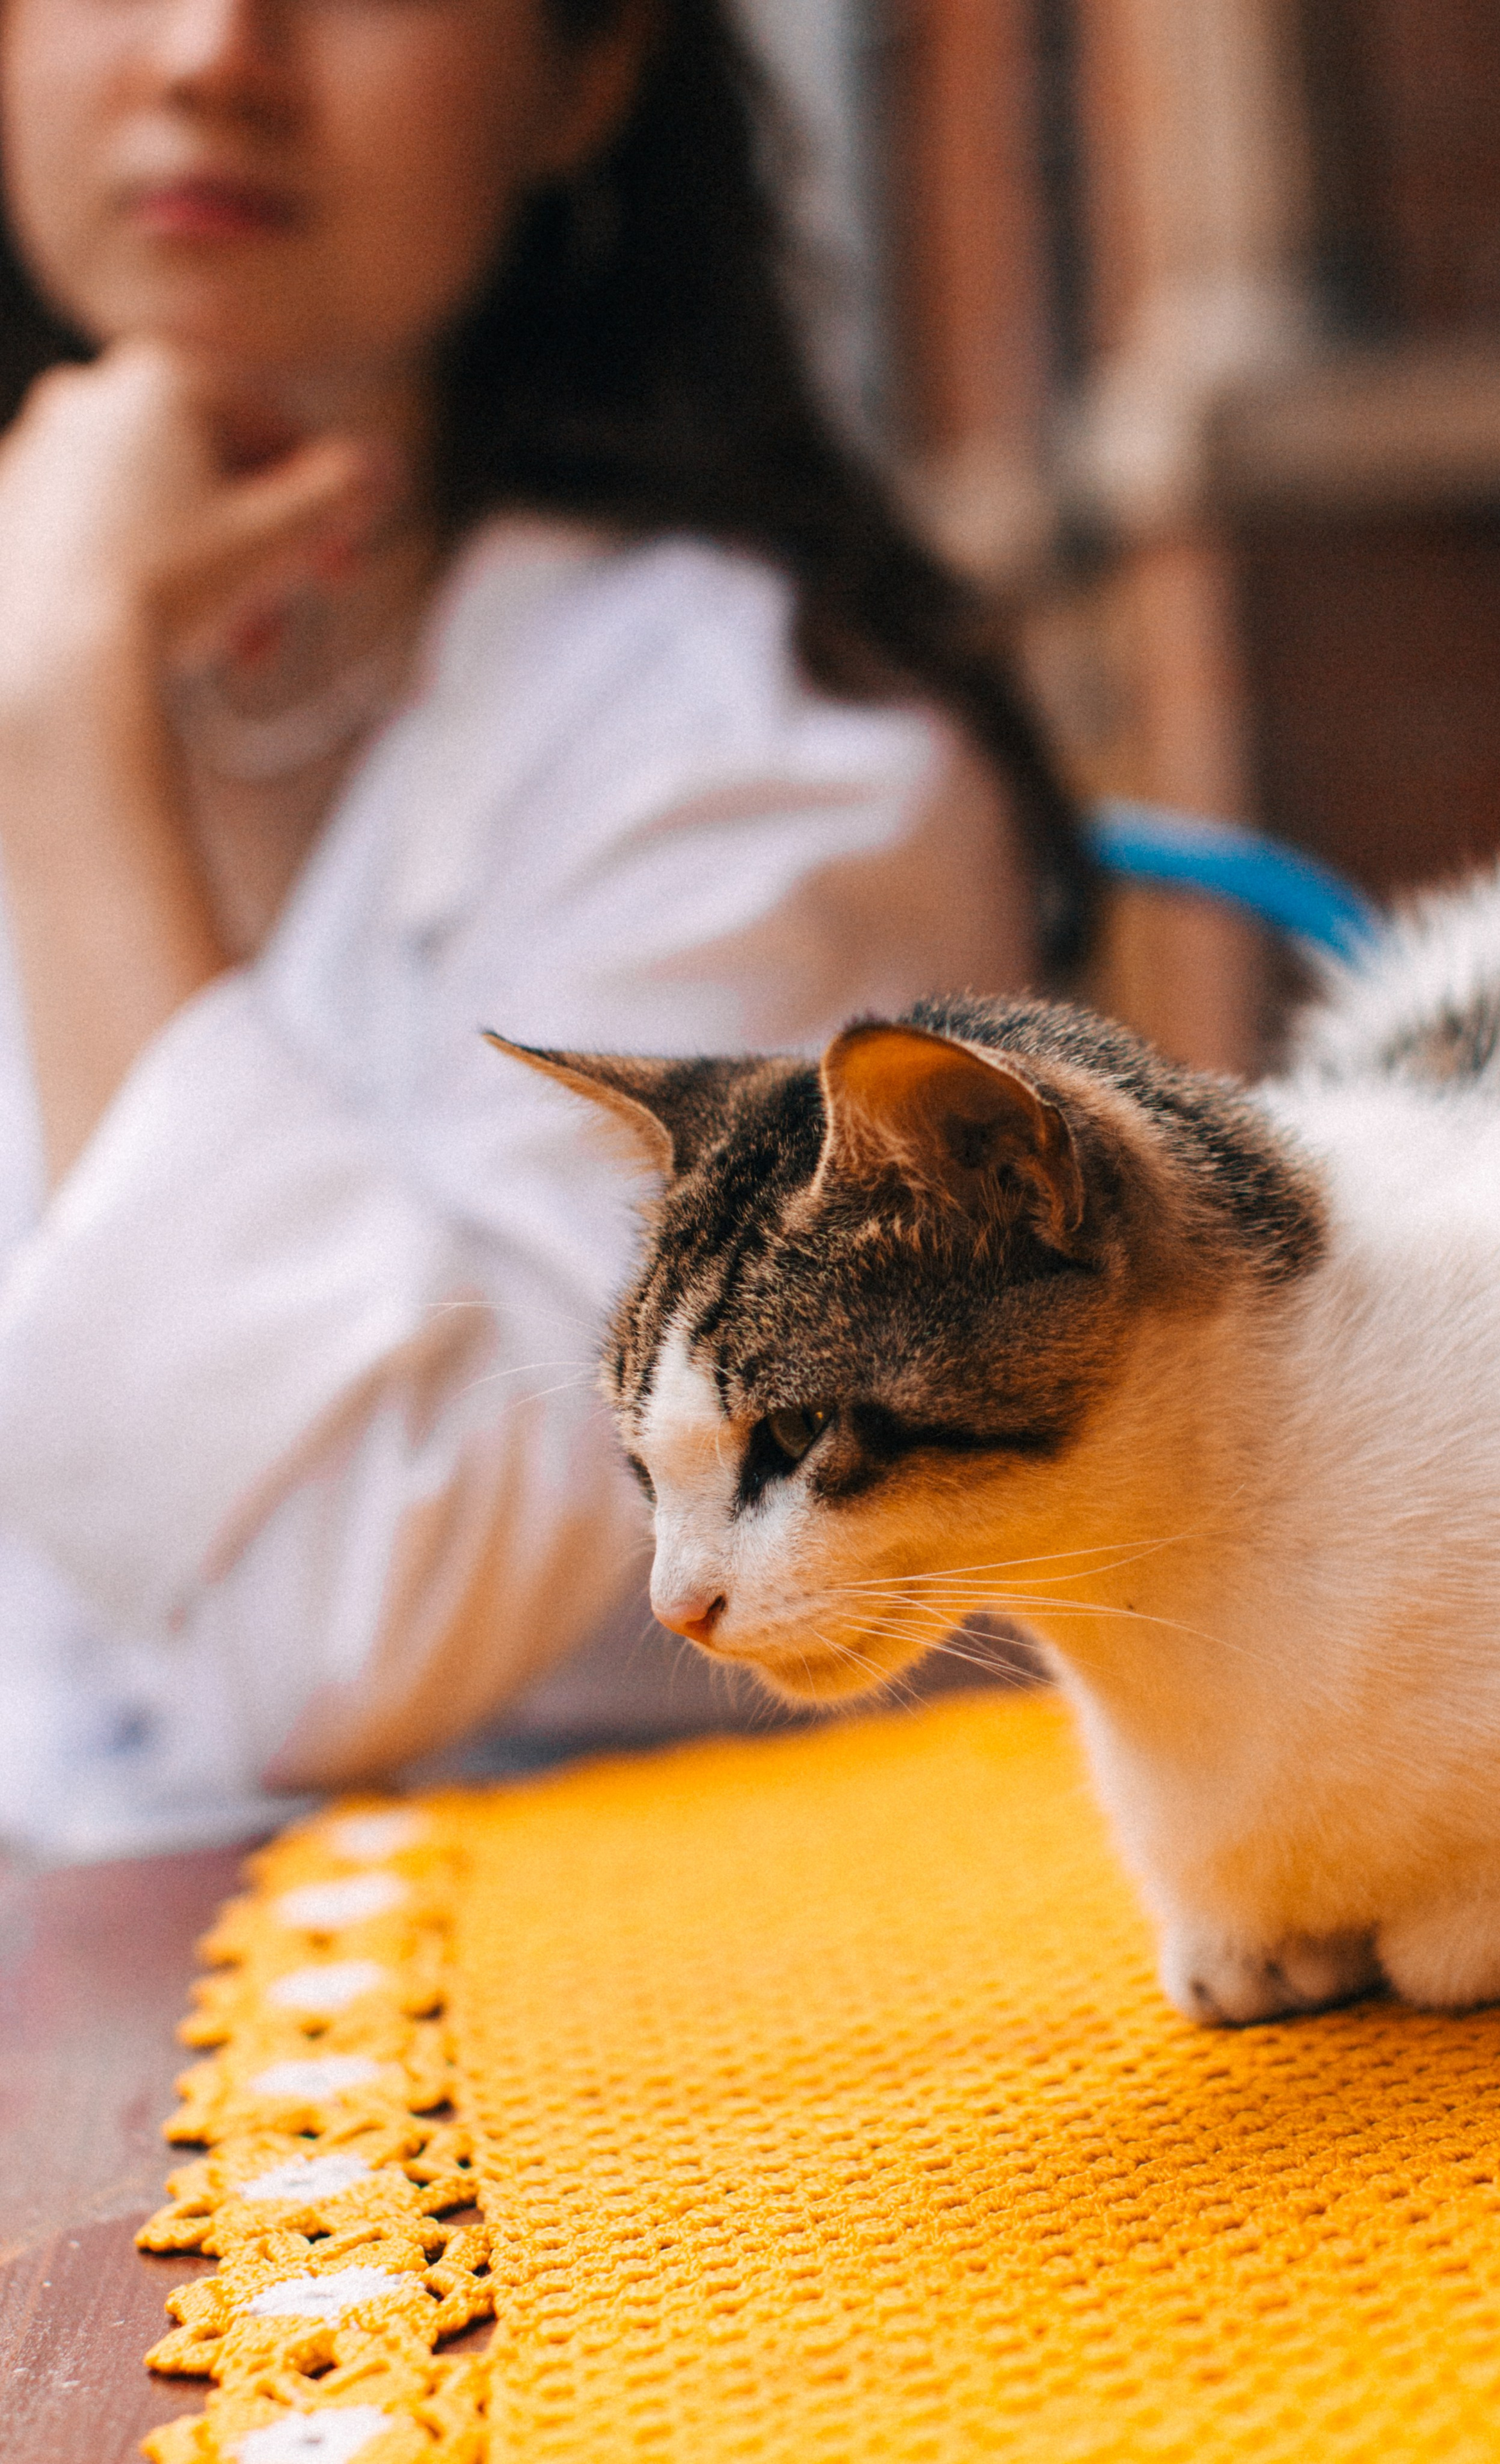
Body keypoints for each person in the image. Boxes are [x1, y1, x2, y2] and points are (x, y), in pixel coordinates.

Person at [0, 0, 1087, 1860]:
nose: (208, 52)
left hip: (605, 2037)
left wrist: (65, 711)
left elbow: (348, 1617)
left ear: (585, 75)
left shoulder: (772, 769)